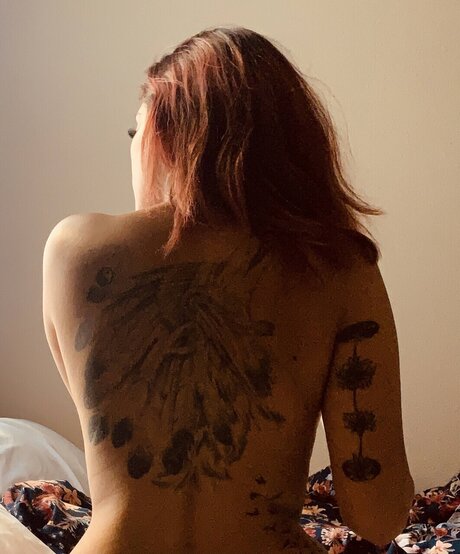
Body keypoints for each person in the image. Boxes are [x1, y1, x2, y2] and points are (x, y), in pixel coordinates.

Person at [42, 26, 414, 554]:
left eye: (134, 133)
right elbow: (378, 516)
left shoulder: (72, 250)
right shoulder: (341, 268)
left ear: (163, 135)